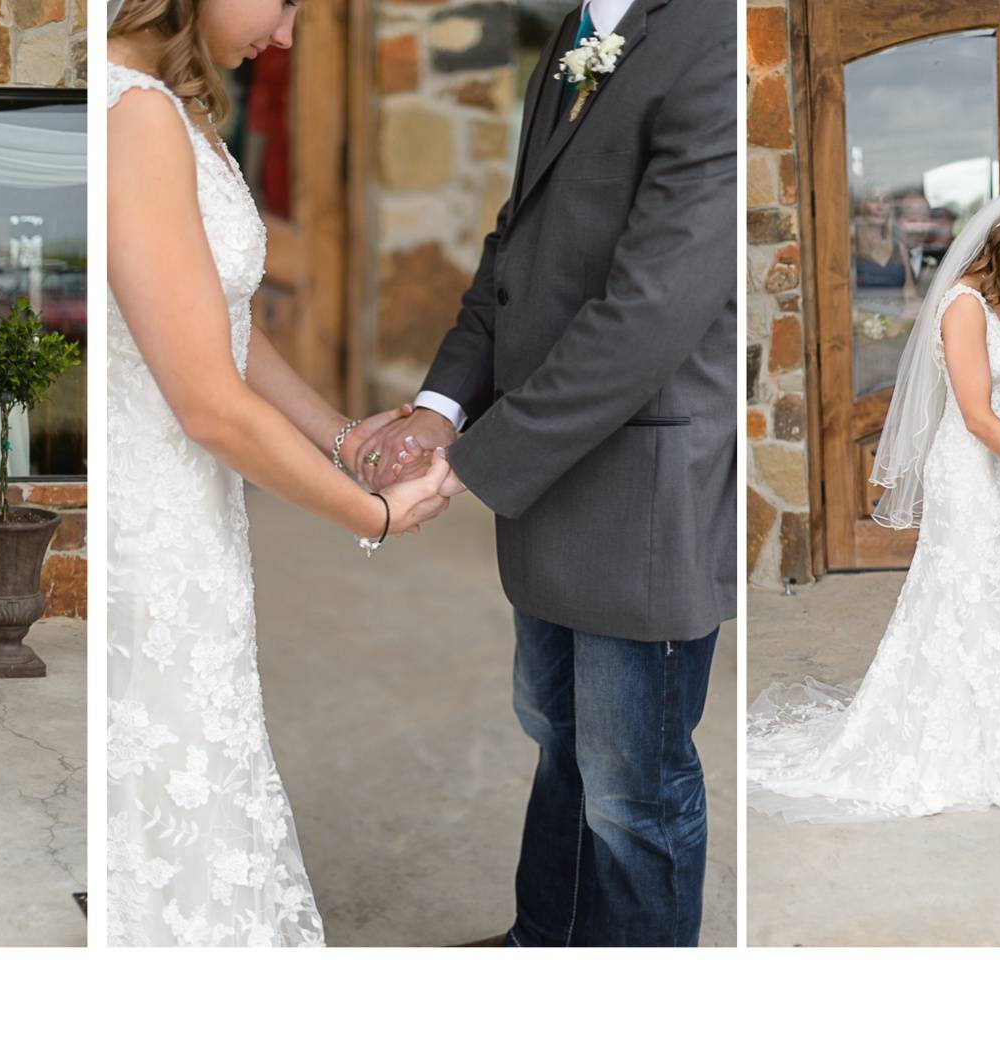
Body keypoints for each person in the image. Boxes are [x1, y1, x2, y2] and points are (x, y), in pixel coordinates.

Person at [351, 0, 738, 946]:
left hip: (637, 482)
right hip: (551, 476)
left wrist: (467, 466)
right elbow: (511, 255)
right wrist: (439, 408)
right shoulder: (572, 39)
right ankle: (547, 944)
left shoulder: (717, 38)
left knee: (631, 785)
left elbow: (650, 308)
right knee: (559, 736)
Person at [107, 0, 456, 945]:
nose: (293, 33)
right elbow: (207, 403)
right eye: (288, 1)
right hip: (151, 510)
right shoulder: (130, 113)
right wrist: (369, 512)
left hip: (191, 509)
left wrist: (340, 437)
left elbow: (222, 324)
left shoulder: (172, 107)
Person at [747, 192, 1000, 822]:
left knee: (997, 593)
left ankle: (995, 728)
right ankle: (952, 740)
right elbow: (981, 418)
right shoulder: (963, 306)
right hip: (970, 472)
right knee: (967, 592)